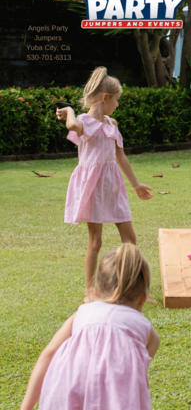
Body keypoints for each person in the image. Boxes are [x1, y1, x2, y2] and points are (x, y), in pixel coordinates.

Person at [14, 243, 161, 410]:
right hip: (115, 404)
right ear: (143, 298)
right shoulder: (146, 328)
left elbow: (49, 353)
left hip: (68, 389)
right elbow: (134, 375)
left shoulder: (83, 312)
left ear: (96, 292)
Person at [56, 67, 153, 302]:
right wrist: (69, 110)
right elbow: (71, 126)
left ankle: (140, 290)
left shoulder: (112, 123)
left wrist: (136, 185)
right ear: (105, 98)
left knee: (130, 238)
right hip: (93, 188)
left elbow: (121, 157)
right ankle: (90, 291)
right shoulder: (84, 122)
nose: (118, 105)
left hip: (113, 186)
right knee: (95, 241)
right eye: (117, 100)